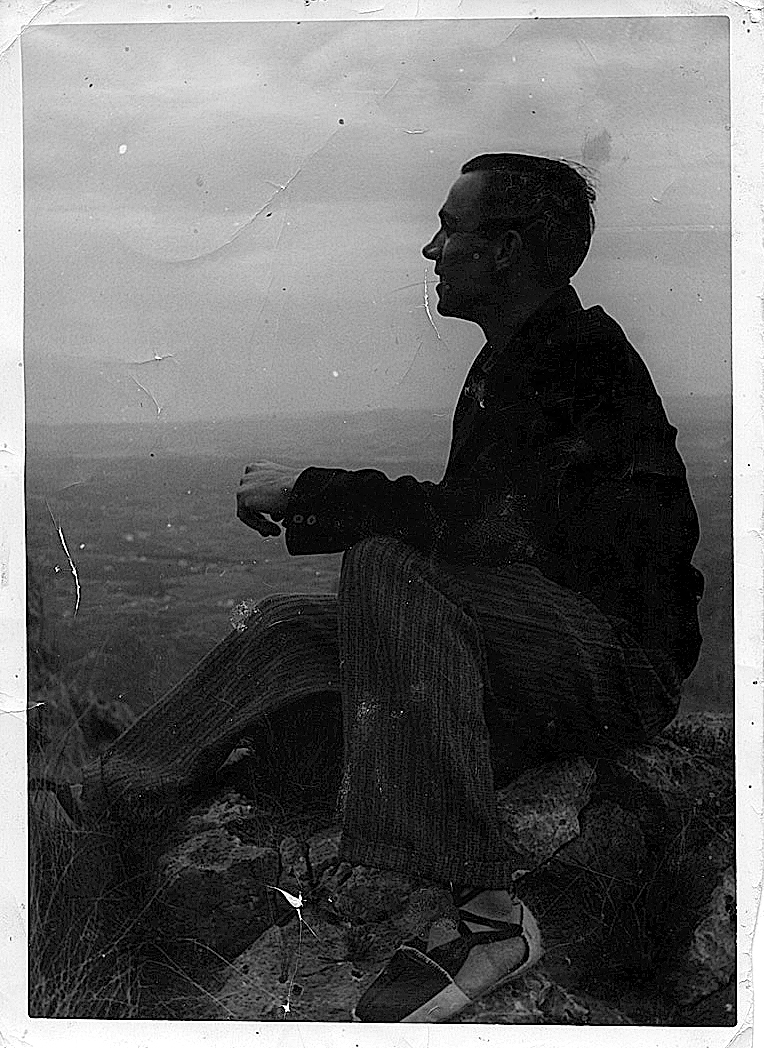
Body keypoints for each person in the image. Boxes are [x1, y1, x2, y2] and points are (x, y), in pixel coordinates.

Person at [67, 153, 702, 1023]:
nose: (430, 248)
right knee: (293, 628)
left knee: (384, 564)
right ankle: (118, 791)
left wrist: (308, 491)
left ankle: (487, 915)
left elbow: (473, 530)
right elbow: (484, 550)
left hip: (614, 668)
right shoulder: (514, 362)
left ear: (507, 249)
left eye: (451, 226)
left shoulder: (578, 362)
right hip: (537, 645)